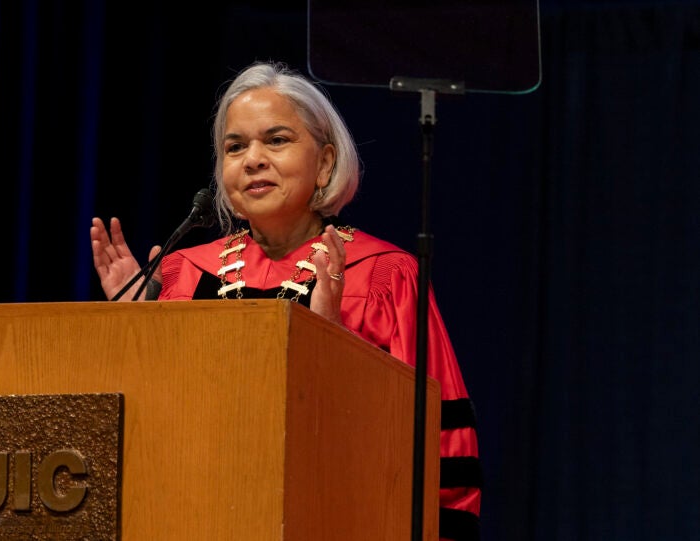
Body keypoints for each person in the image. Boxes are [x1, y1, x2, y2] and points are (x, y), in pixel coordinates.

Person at [90, 61, 481, 541]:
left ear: (326, 163)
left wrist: (331, 344)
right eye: (235, 147)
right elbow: (150, 440)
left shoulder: (383, 276)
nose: (253, 159)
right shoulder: (181, 274)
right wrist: (132, 337)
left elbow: (438, 452)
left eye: (276, 140)